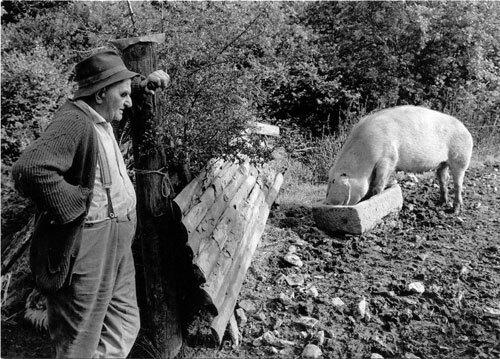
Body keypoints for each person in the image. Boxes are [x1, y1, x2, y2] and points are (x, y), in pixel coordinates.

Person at [12, 49, 170, 358]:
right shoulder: (73, 122)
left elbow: (118, 99)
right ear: (100, 94)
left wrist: (141, 87)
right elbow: (29, 169)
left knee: (123, 321)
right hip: (91, 240)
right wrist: (74, 205)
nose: (129, 102)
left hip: (117, 238)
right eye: (123, 94)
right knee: (80, 338)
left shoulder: (97, 113)